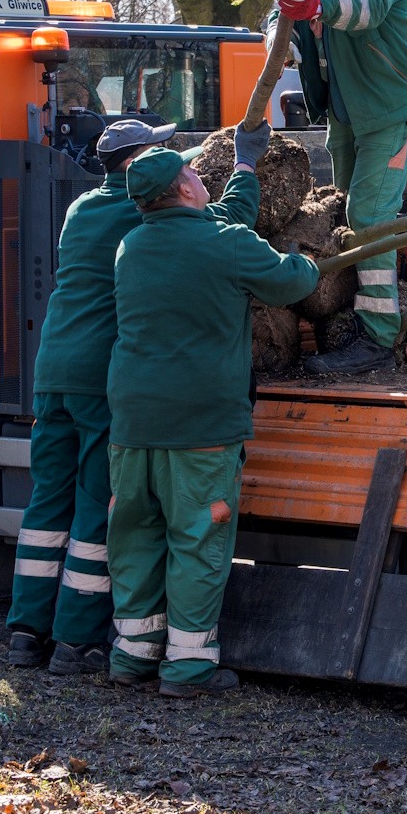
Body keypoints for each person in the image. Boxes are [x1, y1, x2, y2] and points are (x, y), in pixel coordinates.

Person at [103, 131, 320, 697]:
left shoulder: (132, 246)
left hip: (132, 423)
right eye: (195, 173)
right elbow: (290, 282)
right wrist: (309, 260)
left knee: (136, 537)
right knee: (198, 539)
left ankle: (132, 657)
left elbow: (220, 221)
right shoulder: (225, 245)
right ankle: (188, 668)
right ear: (183, 188)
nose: (202, 177)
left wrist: (245, 166)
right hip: (199, 424)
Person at [6, 118, 176, 675]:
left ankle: (26, 632)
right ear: (137, 162)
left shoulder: (80, 208)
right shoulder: (138, 209)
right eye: (158, 150)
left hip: (51, 369)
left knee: (45, 503)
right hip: (96, 377)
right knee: (95, 504)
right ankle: (75, 641)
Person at [276, 0, 407, 374]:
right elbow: (286, 6)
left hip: (386, 102)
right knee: (344, 210)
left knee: (369, 217)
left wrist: (317, 6)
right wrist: (281, 36)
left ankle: (378, 339)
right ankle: (348, 316)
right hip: (343, 103)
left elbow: (368, 4)